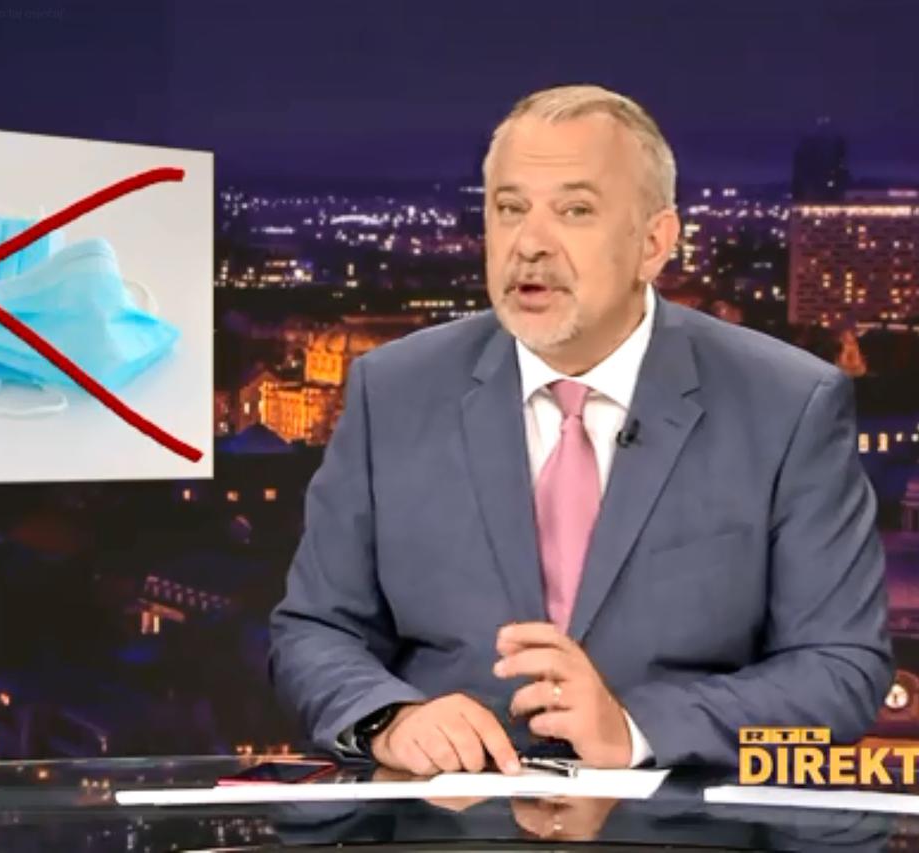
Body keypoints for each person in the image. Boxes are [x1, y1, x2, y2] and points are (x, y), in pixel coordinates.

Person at [268, 84, 892, 774]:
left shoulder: (787, 403)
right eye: (510, 209)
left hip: (680, 817)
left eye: (575, 211)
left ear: (654, 243)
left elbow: (840, 668)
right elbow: (315, 629)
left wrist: (634, 728)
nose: (530, 244)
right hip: (450, 816)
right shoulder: (393, 390)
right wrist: (389, 717)